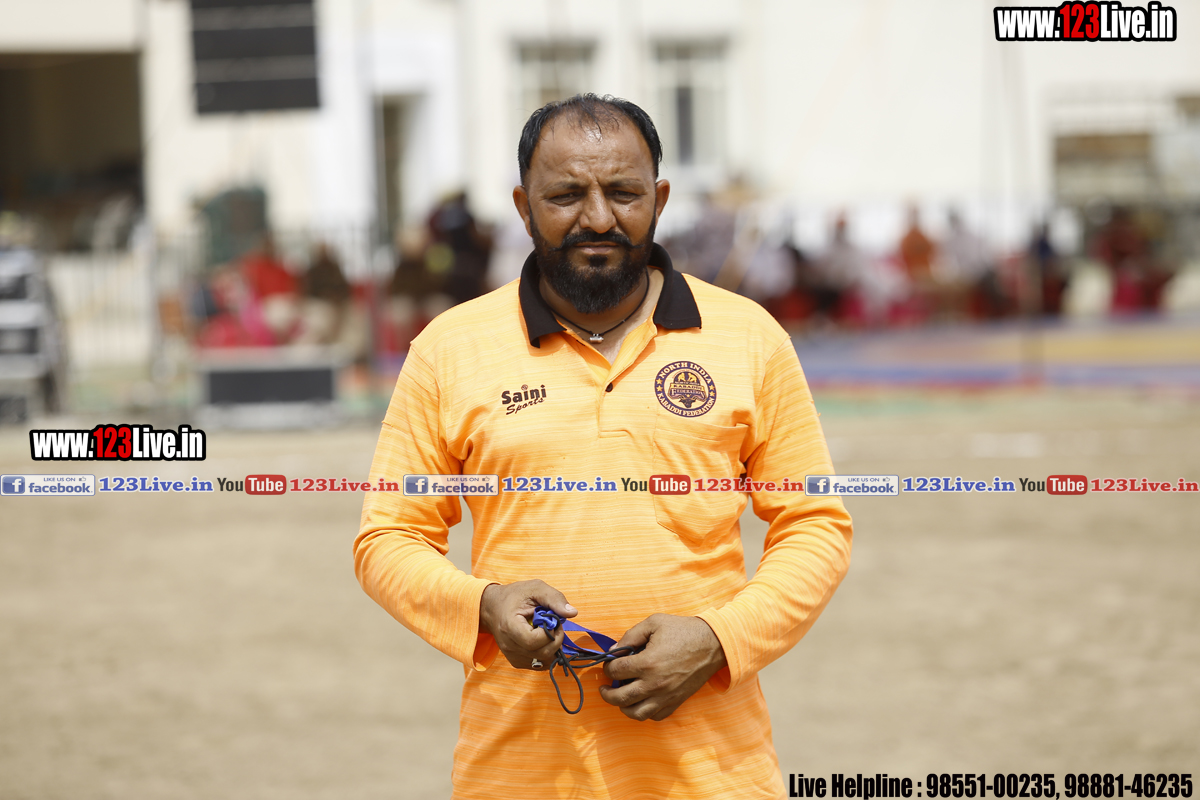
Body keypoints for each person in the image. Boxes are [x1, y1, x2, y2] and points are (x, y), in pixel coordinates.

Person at [354, 93, 852, 799]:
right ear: (524, 208)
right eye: (566, 195)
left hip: (714, 775)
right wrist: (486, 606)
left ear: (660, 199)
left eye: (623, 192)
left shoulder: (750, 338)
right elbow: (388, 537)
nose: (597, 218)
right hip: (519, 775)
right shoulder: (448, 350)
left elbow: (815, 523)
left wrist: (718, 639)